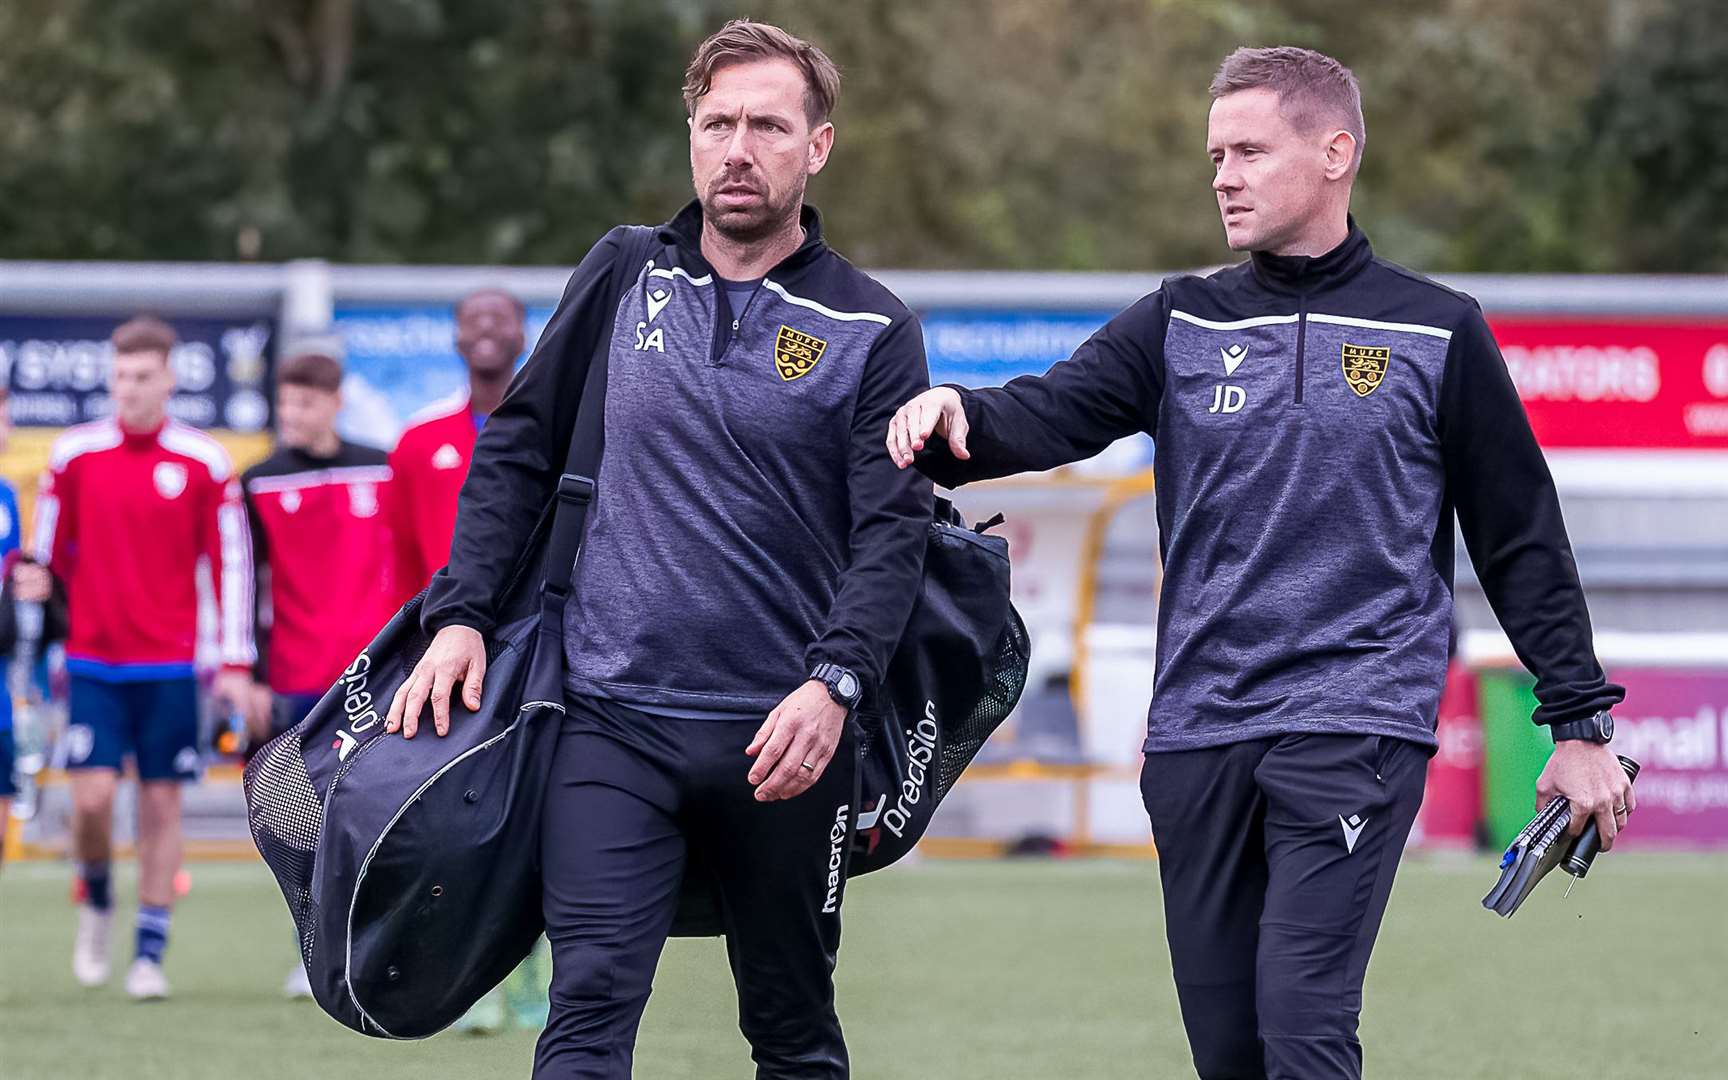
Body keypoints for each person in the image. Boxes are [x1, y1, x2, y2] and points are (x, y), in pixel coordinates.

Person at [887, 46, 1633, 1080]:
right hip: (1198, 732)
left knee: (1302, 1024)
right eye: (1213, 156)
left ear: (1336, 153)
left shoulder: (1437, 328)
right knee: (1231, 1053)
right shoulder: (1179, 319)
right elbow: (1050, 411)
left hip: (1355, 719)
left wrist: (1580, 722)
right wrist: (955, 415)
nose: (1223, 176)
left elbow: (1519, 536)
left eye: (1248, 151)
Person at [385, 19, 931, 1078]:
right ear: (691, 133)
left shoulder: (872, 325)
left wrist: (837, 684)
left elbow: (892, 531)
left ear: (817, 145)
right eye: (717, 122)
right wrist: (458, 615)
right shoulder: (624, 270)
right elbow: (518, 449)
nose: (738, 147)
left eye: (767, 124)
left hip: (784, 738)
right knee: (586, 1010)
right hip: (609, 723)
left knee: (792, 1031)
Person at [32, 316, 255, 1000]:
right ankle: (98, 900)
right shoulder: (73, 456)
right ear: (111, 376)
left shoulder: (203, 462)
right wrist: (38, 615)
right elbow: (43, 559)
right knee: (93, 801)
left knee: (161, 807)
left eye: (143, 375)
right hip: (93, 662)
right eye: (121, 375)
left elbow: (231, 563)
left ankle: (149, 954)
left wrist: (234, 658)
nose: (130, 388)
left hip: (172, 666)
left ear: (169, 377)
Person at [238, 345, 395, 997]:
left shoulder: (385, 470)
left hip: (376, 674)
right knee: (305, 820)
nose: (293, 414)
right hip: (296, 674)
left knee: (378, 813)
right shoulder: (257, 480)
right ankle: (318, 947)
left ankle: (380, 944)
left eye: (305, 401)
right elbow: (246, 583)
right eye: (285, 402)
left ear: (335, 401)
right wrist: (247, 668)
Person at [386, 287, 526, 605]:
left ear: (522, 336)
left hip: (532, 623)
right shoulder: (418, 438)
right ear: (457, 337)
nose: (486, 326)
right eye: (473, 319)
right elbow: (399, 550)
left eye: (500, 318)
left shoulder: (556, 428)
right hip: (441, 625)